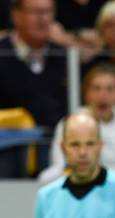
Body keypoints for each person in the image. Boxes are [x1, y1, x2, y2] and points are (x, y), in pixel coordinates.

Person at [39, 63, 115, 182]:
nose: (103, 95)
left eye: (110, 89)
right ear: (86, 93)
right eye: (96, 88)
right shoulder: (70, 122)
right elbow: (62, 165)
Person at [0, 0, 67, 164]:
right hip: (9, 147)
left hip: (56, 145)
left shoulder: (64, 55)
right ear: (16, 15)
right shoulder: (3, 53)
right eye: (35, 12)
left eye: (47, 12)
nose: (42, 19)